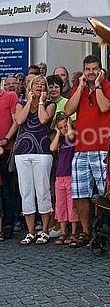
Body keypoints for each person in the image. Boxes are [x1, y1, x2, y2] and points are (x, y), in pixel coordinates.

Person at [64, 55, 110, 247]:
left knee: (106, 193)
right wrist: (81, 88)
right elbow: (68, 110)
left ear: (100, 70)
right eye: (87, 69)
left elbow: (104, 106)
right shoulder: (79, 89)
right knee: (80, 193)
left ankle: (107, 228)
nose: (91, 72)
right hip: (81, 148)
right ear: (83, 71)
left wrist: (98, 85)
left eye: (94, 69)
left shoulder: (108, 86)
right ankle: (85, 231)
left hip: (103, 148)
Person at [12, 75, 56, 245]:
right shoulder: (21, 103)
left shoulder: (49, 104)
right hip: (22, 152)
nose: (39, 86)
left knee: (43, 191)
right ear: (30, 86)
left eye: (42, 84)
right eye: (36, 83)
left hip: (42, 151)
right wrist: (29, 101)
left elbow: (44, 119)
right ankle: (30, 231)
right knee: (26, 192)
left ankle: (44, 231)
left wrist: (40, 102)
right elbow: (20, 120)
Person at [49, 113, 79, 245]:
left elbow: (71, 135)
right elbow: (52, 148)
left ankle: (73, 232)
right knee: (60, 205)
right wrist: (57, 133)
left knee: (71, 205)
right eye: (61, 127)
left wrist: (70, 125)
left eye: (65, 126)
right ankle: (63, 232)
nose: (64, 129)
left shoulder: (73, 137)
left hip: (71, 175)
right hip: (60, 176)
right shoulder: (60, 140)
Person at [0, 84, 19, 239]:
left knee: (7, 189)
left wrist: (7, 138)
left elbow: (16, 121)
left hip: (6, 149)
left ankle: (8, 225)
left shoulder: (10, 96)